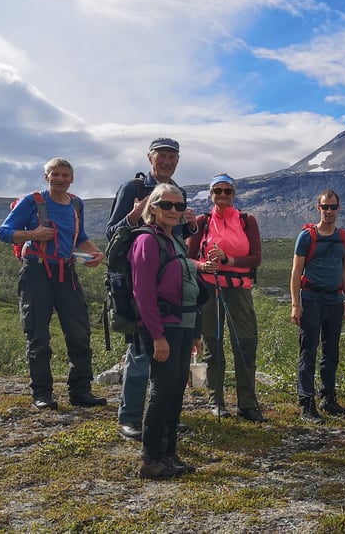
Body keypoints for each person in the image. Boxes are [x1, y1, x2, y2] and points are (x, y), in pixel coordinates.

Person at [105, 137, 198, 441]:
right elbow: (112, 232)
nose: (167, 161)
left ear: (178, 160)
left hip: (169, 282)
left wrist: (190, 226)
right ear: (150, 158)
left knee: (169, 357)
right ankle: (130, 418)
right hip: (137, 275)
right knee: (141, 349)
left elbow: (177, 235)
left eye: (172, 156)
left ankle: (162, 416)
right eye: (162, 155)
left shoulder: (177, 192)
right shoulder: (132, 188)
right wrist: (138, 212)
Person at [0, 158, 107, 410]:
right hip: (36, 271)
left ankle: (81, 392)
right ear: (46, 177)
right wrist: (32, 235)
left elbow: (82, 237)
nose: (60, 179)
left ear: (72, 178)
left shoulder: (76, 204)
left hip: (66, 272)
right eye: (55, 174)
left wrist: (96, 253)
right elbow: (3, 232)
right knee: (38, 334)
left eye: (65, 175)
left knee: (80, 332)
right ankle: (42, 394)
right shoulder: (32, 202)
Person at [130, 183, 201, 479]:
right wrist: (157, 336)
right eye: (167, 205)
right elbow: (143, 294)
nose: (174, 211)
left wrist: (195, 332)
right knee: (162, 392)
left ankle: (168, 454)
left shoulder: (176, 240)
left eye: (179, 206)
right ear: (154, 207)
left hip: (183, 326)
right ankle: (150, 459)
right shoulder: (147, 241)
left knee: (175, 391)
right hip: (164, 328)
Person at [187, 173, 264, 422]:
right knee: (213, 344)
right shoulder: (203, 221)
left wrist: (228, 260)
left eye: (227, 191)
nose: (222, 195)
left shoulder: (246, 220)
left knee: (245, 343)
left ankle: (247, 403)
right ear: (211, 194)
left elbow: (256, 258)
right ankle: (216, 401)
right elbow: (188, 257)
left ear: (234, 193)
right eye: (217, 191)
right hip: (210, 289)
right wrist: (202, 266)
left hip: (239, 288)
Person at [290, 189, 345, 423]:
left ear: (339, 208)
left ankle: (328, 398)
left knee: (331, 351)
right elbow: (296, 271)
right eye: (325, 207)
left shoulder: (344, 238)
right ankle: (306, 403)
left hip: (334, 300)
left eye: (333, 207)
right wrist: (295, 304)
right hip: (311, 299)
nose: (329, 211)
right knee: (308, 351)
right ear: (318, 208)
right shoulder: (306, 237)